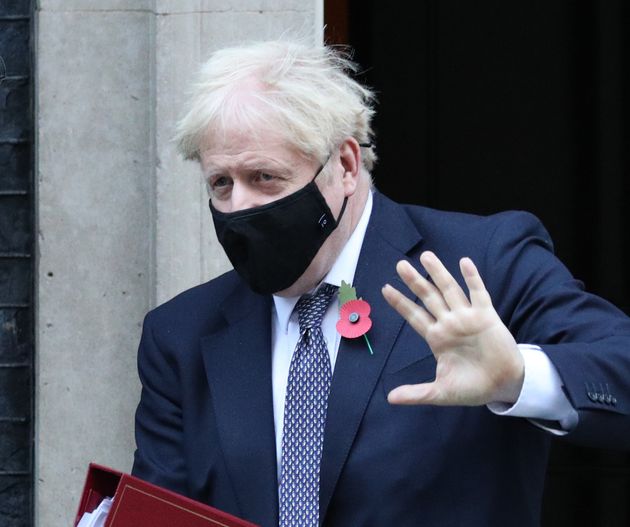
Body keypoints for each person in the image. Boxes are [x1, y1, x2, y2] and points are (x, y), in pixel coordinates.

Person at [132, 39, 630, 527]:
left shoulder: (480, 264)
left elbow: (618, 364)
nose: (239, 205)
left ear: (346, 165)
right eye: (222, 183)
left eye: (265, 177)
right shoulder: (181, 334)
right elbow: (159, 510)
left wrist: (518, 376)